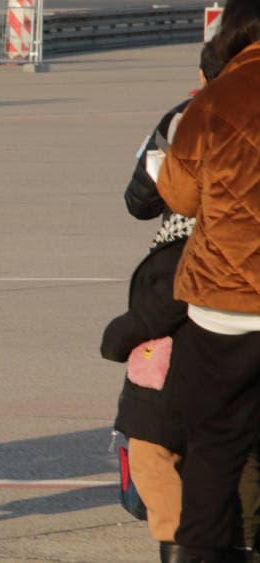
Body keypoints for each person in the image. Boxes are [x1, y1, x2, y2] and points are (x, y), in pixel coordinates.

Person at [101, 42, 228, 563]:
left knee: (155, 437)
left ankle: (187, 544)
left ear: (204, 73)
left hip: (197, 310)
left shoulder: (185, 119)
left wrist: (129, 330)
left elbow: (139, 199)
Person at [154, 0, 260, 559]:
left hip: (225, 301)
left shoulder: (214, 99)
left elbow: (178, 196)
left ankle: (203, 553)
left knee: (214, 446)